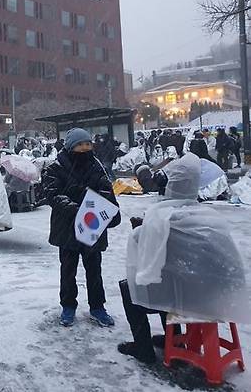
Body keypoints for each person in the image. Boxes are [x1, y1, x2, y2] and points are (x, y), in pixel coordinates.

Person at [118, 152, 249, 363]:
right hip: (218, 294)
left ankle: (143, 348)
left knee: (136, 285)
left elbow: (144, 250)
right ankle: (175, 339)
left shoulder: (164, 215)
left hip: (191, 298)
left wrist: (141, 228)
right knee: (169, 277)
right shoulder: (206, 216)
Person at [42, 128, 121, 327]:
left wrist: (93, 206)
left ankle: (97, 307)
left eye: (87, 144)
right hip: (67, 227)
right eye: (80, 144)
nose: (84, 148)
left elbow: (106, 190)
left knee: (94, 270)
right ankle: (68, 306)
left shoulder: (96, 165)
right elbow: (53, 195)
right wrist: (77, 209)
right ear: (70, 146)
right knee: (68, 270)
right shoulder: (56, 167)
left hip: (92, 227)